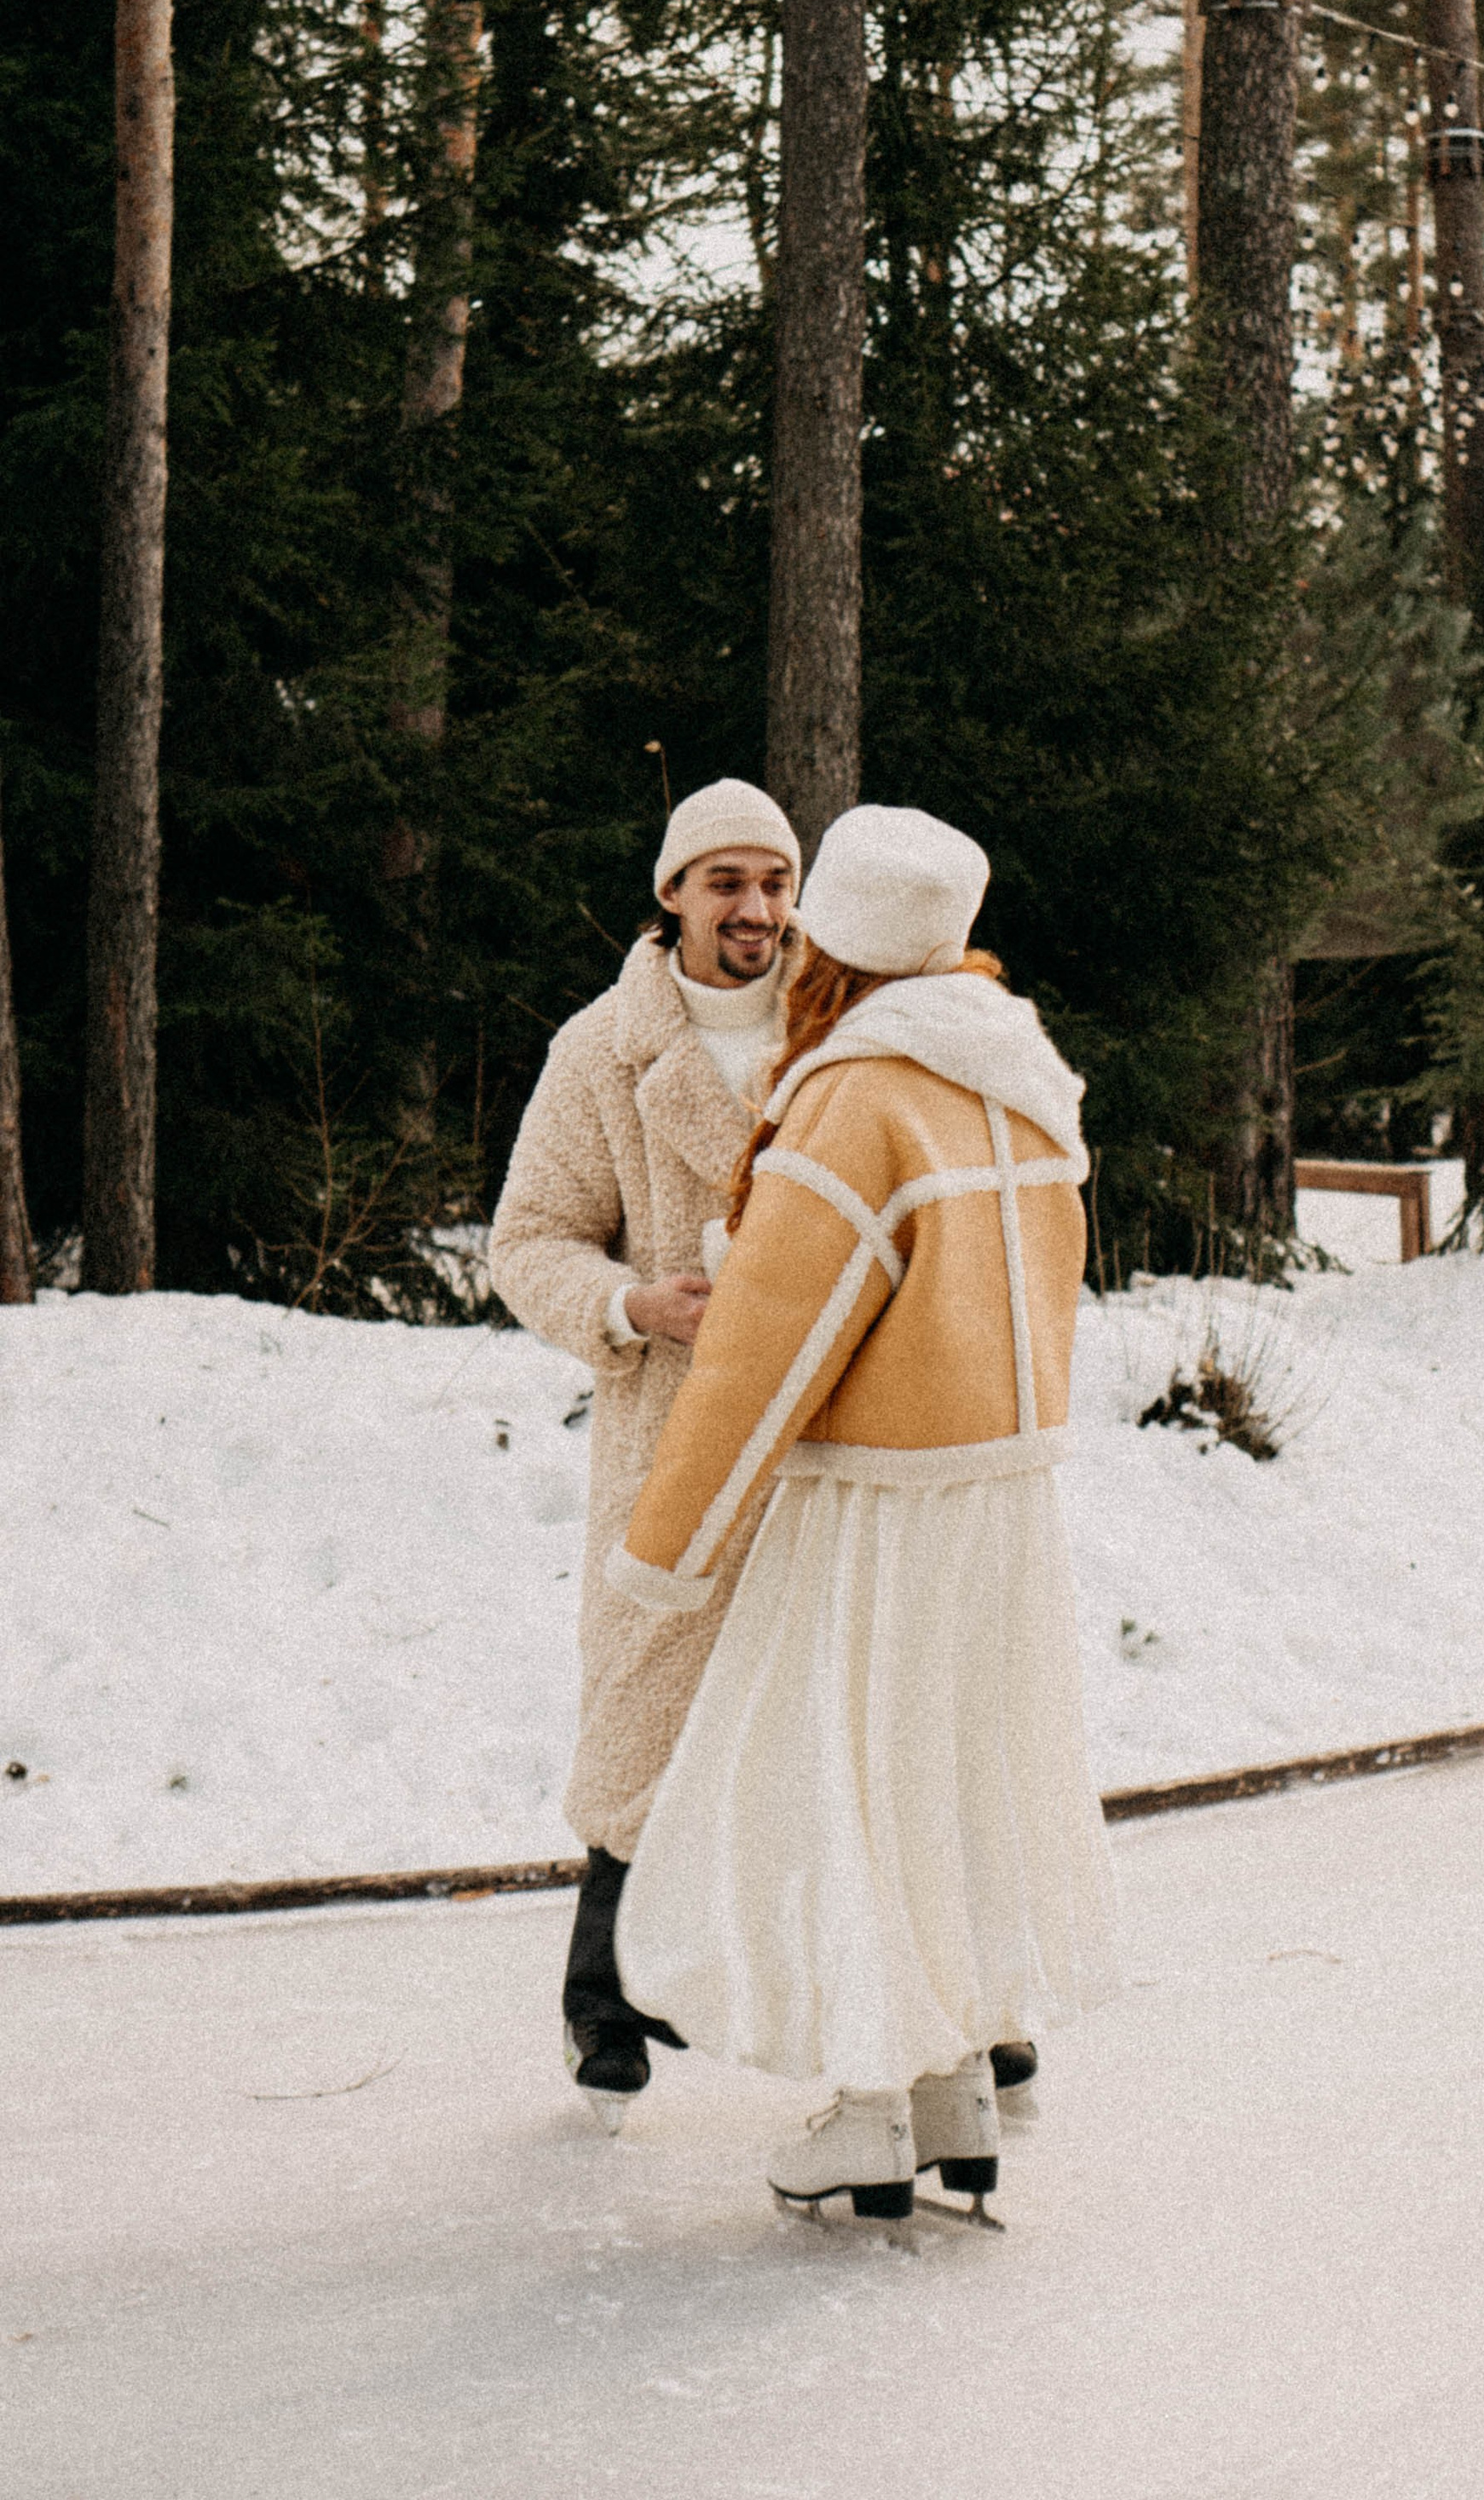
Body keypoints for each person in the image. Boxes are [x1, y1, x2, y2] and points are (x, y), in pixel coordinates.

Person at [610, 804, 1119, 2226]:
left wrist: (666, 1548)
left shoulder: (857, 1097)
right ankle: (954, 2078)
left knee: (848, 1798)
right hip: (1004, 1506)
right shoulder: (1020, 1076)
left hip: (881, 1518)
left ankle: (868, 2106)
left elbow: (770, 1352)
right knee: (958, 1792)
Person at [488, 776, 800, 2112]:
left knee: (852, 1702)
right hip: (673, 1426)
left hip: (825, 1432)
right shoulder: (599, 1050)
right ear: (671, 894)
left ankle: (936, 2008)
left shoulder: (840, 1033)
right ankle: (601, 1997)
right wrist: (632, 1303)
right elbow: (528, 1240)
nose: (757, 910)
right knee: (645, 1706)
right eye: (727, 883)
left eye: (777, 883)